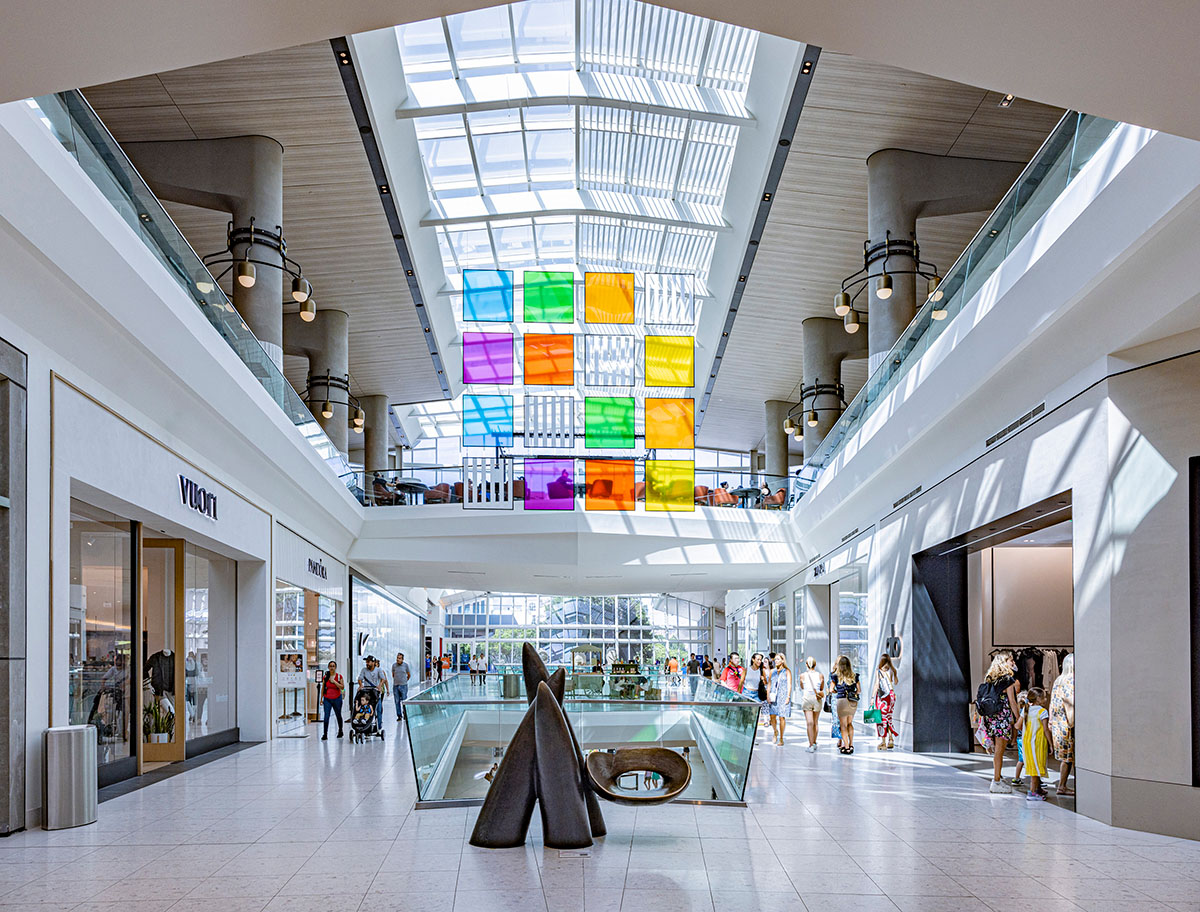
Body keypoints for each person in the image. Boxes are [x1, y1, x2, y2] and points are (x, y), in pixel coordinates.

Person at [975, 652, 1021, 793]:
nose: (1013, 663)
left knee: (997, 750)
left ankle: (998, 776)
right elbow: (1012, 702)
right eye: (1010, 660)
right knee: (1000, 751)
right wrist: (1019, 718)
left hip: (990, 718)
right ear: (1004, 662)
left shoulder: (990, 679)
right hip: (1002, 719)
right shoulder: (1008, 681)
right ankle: (996, 781)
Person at [1049, 653, 1075, 796]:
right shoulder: (1072, 680)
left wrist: (1051, 721)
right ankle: (1062, 785)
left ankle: (1062, 785)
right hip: (1068, 723)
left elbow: (1053, 702)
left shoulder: (1059, 680)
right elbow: (1070, 702)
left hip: (1058, 722)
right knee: (1068, 757)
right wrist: (1072, 722)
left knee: (1066, 757)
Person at [1021, 686, 1051, 801]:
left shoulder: (1025, 710)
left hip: (1027, 742)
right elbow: (1045, 729)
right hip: (1038, 743)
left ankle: (1037, 788)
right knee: (1037, 766)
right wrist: (1050, 743)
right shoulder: (1042, 711)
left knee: (1034, 765)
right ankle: (1032, 792)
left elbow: (1018, 725)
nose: (1045, 699)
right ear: (1038, 699)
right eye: (1044, 697)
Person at [830, 654, 861, 754]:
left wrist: (837, 691)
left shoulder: (835, 677)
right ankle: (851, 745)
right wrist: (853, 692)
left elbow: (831, 689)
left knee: (843, 725)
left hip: (842, 701)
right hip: (852, 702)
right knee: (850, 723)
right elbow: (859, 690)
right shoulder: (854, 676)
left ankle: (846, 747)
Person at [765, 652, 793, 746]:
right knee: (772, 716)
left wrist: (788, 696)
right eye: (775, 659)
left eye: (778, 659)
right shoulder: (772, 671)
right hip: (773, 695)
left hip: (783, 695)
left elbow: (789, 684)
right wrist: (767, 695)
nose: (776, 661)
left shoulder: (787, 671)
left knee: (782, 717)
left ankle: (781, 737)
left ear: (782, 660)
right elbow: (769, 684)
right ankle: (775, 731)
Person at [797, 657, 825, 752]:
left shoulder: (802, 676)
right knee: (815, 722)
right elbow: (821, 688)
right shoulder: (820, 675)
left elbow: (802, 687)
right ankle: (814, 742)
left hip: (807, 698)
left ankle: (810, 745)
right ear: (815, 665)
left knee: (809, 723)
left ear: (806, 664)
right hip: (817, 699)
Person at [872, 654, 899, 750]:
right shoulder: (892, 670)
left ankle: (883, 742)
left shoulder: (879, 671)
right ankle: (891, 739)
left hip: (883, 698)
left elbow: (876, 685)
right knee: (889, 718)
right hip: (892, 697)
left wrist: (872, 698)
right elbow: (895, 682)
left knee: (882, 719)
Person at [358, 656, 388, 730]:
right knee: (366, 709)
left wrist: (380, 685)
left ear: (373, 662)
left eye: (368, 662)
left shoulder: (378, 670)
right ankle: (366, 725)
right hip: (367, 693)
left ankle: (379, 726)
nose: (367, 663)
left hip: (376, 693)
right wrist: (361, 685)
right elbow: (360, 678)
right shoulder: (364, 670)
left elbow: (383, 678)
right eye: (366, 662)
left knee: (378, 709)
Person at [321, 660, 345, 740]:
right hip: (327, 698)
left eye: (333, 666)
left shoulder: (339, 676)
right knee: (326, 716)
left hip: (337, 698)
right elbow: (323, 688)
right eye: (330, 666)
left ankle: (340, 730)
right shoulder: (325, 676)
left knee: (338, 715)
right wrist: (321, 698)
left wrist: (334, 682)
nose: (332, 667)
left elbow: (342, 687)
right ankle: (325, 734)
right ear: (328, 667)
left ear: (335, 667)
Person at [391, 652, 411, 721]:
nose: (398, 659)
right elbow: (393, 674)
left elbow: (408, 675)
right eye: (397, 658)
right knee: (397, 701)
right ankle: (399, 715)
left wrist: (405, 681)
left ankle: (405, 713)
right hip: (396, 686)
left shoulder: (406, 665)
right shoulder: (394, 665)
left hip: (403, 686)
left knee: (404, 700)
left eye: (399, 658)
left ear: (402, 659)